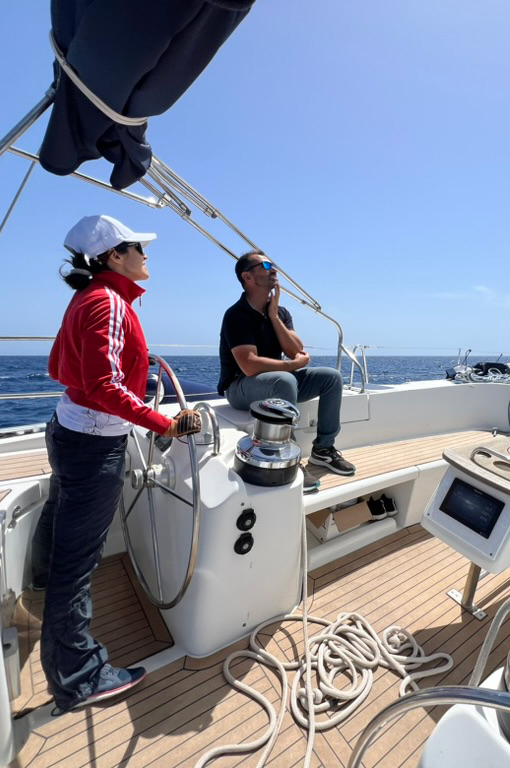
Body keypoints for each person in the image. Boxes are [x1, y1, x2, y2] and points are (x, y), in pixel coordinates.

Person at [31, 214, 201, 716]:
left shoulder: (94, 299)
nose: (146, 256)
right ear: (113, 258)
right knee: (77, 562)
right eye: (137, 248)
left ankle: (42, 585)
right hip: (92, 442)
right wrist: (163, 424)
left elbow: (60, 368)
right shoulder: (107, 303)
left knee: (61, 528)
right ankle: (79, 677)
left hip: (69, 430)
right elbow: (104, 387)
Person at [218, 251, 356, 489]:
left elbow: (296, 349)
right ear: (247, 277)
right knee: (285, 380)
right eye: (266, 265)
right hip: (240, 387)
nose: (274, 269)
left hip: (277, 384)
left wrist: (273, 316)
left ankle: (323, 449)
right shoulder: (236, 315)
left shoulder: (280, 313)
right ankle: (287, 458)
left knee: (331, 378)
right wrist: (291, 366)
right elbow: (249, 365)